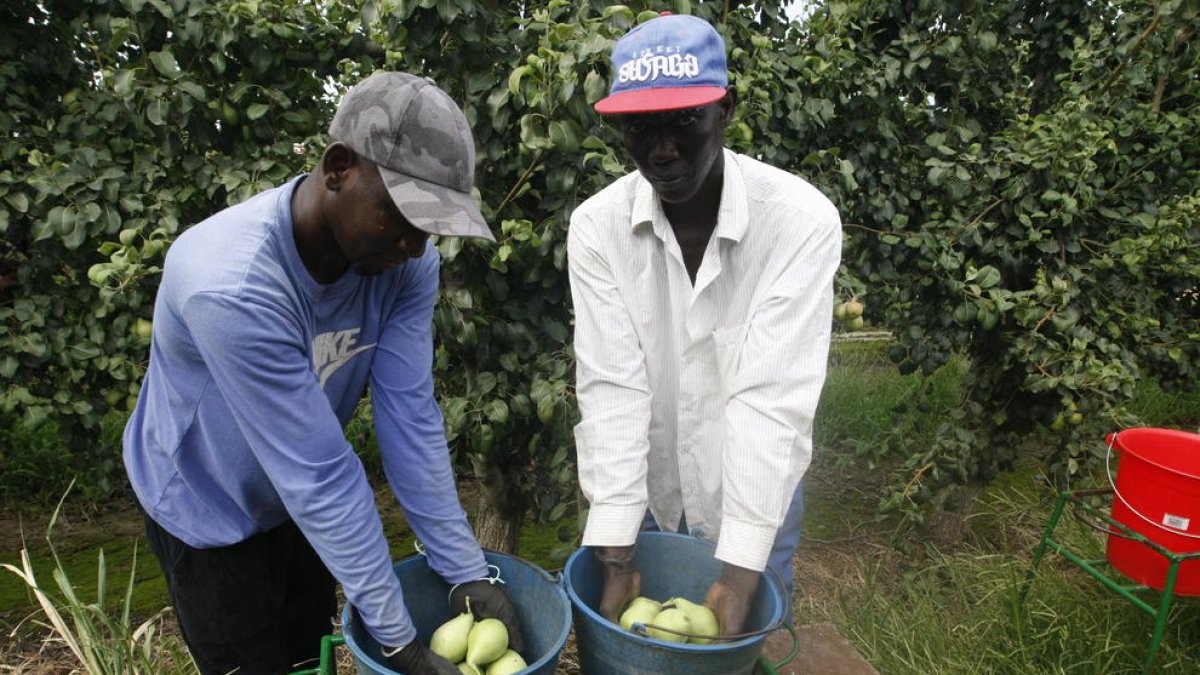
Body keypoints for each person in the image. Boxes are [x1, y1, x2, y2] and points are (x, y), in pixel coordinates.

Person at [123, 71, 522, 675]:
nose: (417, 246)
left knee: (309, 648)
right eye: (403, 216)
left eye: (431, 226)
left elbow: (409, 418)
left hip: (293, 502)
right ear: (339, 168)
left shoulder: (404, 266)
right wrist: (398, 643)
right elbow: (322, 474)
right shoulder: (232, 285)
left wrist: (465, 571)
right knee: (251, 660)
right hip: (205, 505)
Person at [567, 13, 842, 638]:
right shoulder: (596, 228)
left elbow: (772, 402)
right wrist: (616, 554)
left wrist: (741, 572)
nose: (662, 149)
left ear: (727, 109)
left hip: (756, 495)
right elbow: (612, 388)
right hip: (649, 485)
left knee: (743, 644)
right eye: (641, 126)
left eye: (685, 120)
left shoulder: (799, 222)